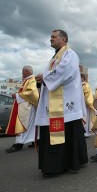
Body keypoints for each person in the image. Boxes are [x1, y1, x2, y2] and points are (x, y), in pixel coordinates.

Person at [35, 29, 88, 177]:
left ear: (63, 40)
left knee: (65, 131)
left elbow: (66, 72)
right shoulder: (55, 57)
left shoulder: (70, 54)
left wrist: (44, 77)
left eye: (54, 37)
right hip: (54, 103)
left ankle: (60, 165)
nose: (51, 39)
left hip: (65, 103)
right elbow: (54, 73)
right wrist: (43, 79)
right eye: (50, 36)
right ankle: (63, 162)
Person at [5, 65, 39, 153]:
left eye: (22, 71)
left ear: (27, 71)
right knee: (30, 125)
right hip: (26, 106)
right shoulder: (28, 80)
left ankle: (18, 144)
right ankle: (35, 140)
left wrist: (17, 95)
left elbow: (33, 93)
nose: (22, 73)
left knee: (22, 124)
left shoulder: (32, 80)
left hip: (28, 108)